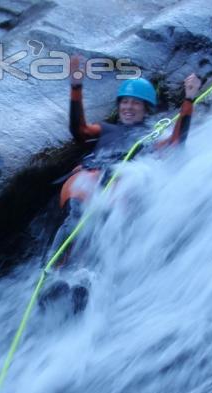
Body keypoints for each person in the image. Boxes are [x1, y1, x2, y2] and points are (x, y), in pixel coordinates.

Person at [40, 58, 201, 312]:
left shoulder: (150, 135)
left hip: (121, 181)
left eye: (135, 103)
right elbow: (79, 131)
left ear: (145, 108)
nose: (129, 107)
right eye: (125, 102)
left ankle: (88, 280)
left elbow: (176, 143)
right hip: (91, 174)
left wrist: (189, 99)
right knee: (75, 218)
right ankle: (53, 274)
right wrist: (75, 86)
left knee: (110, 221)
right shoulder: (105, 129)